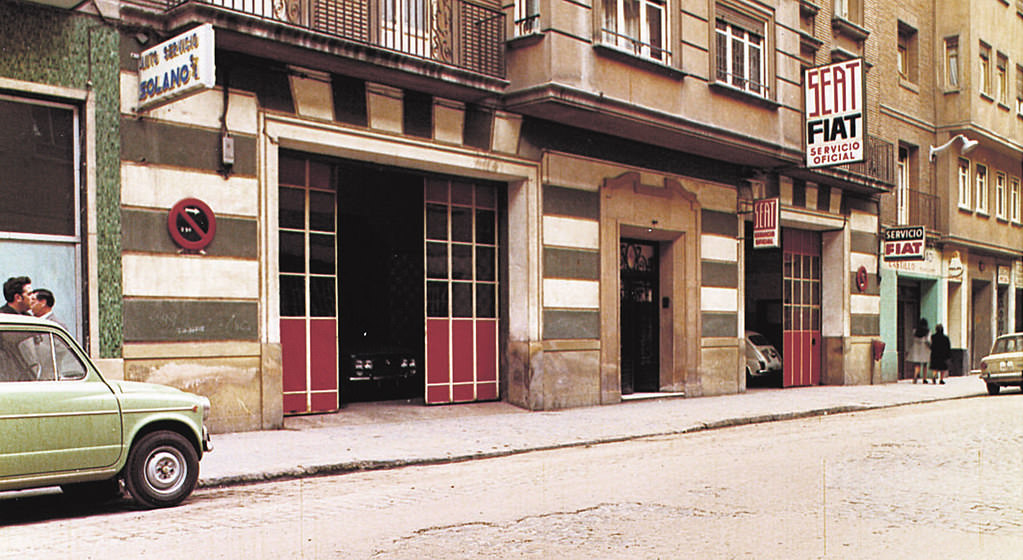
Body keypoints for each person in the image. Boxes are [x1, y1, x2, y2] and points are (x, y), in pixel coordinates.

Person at [908, 317, 931, 383]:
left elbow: (913, 338)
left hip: (916, 349)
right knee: (925, 364)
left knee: (917, 364)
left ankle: (915, 376)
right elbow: (928, 340)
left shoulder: (915, 331)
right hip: (925, 349)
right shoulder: (928, 331)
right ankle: (924, 378)